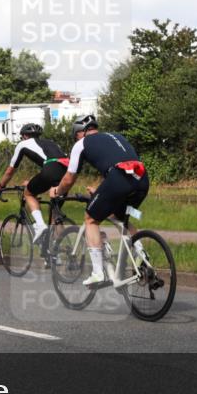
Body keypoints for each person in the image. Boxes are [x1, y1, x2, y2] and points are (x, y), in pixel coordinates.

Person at [50, 115, 150, 286]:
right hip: (142, 178)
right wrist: (100, 191)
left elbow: (69, 178)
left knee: (90, 219)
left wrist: (57, 191)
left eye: (75, 136)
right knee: (121, 217)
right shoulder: (117, 136)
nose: (76, 138)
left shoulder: (81, 144)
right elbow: (119, 165)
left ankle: (98, 273)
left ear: (80, 132)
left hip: (119, 179)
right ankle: (142, 256)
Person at [0, 123, 69, 246]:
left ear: (25, 136)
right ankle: (58, 250)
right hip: (66, 174)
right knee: (55, 214)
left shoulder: (23, 144)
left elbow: (10, 170)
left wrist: (1, 185)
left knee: (28, 193)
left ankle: (40, 225)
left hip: (51, 170)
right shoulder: (51, 143)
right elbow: (53, 165)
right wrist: (32, 181)